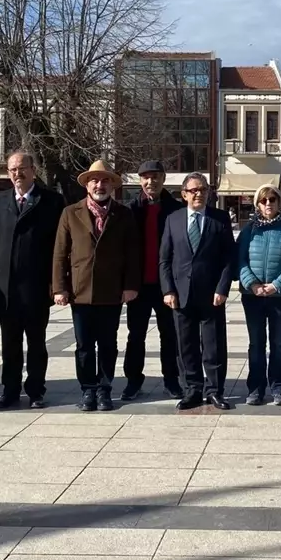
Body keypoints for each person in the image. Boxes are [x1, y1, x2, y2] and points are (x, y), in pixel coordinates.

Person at [52, 160, 140, 412]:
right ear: (87, 185)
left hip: (112, 291)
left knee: (108, 344)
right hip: (80, 292)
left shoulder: (123, 214)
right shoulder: (71, 212)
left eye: (105, 180)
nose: (99, 185)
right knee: (83, 345)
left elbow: (132, 253)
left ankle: (104, 389)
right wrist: (60, 288)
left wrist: (130, 285)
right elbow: (60, 253)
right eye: (95, 180)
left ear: (112, 185)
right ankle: (87, 390)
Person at [0, 151, 66, 411]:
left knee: (36, 343)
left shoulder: (52, 202)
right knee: (9, 343)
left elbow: (59, 247)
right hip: (5, 288)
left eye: (22, 169)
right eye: (12, 170)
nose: (17, 174)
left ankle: (35, 390)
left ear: (33, 170)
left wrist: (57, 284)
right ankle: (9, 391)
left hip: (36, 287)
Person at [160, 172, 236, 410]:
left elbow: (228, 259)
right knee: (186, 345)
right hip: (181, 294)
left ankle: (214, 390)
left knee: (213, 345)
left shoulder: (220, 219)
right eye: (193, 190)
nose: (199, 194)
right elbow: (165, 259)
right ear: (184, 195)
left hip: (211, 294)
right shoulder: (173, 219)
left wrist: (223, 288)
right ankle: (192, 390)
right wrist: (168, 290)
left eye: (203, 189)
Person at [237, 184, 281, 406]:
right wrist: (252, 284)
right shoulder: (249, 230)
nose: (268, 204)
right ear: (257, 204)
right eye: (264, 200)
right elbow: (239, 259)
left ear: (279, 202)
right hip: (253, 296)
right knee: (256, 344)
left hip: (280, 297)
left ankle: (279, 388)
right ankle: (255, 389)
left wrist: (277, 285)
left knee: (278, 344)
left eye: (272, 200)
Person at [123, 160, 185, 400]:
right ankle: (133, 380)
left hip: (167, 286)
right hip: (138, 286)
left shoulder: (176, 210)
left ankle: (171, 380)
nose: (151, 182)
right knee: (135, 335)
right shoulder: (130, 210)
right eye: (146, 177)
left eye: (156, 177)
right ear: (140, 181)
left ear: (163, 178)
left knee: (169, 335)